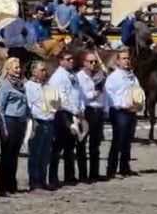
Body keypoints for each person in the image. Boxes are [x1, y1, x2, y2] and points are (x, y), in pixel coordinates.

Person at [48, 51, 85, 185]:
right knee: (58, 147)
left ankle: (69, 175)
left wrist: (81, 108)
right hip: (62, 113)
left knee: (70, 146)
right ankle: (53, 176)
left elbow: (78, 93)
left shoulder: (72, 76)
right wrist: (74, 110)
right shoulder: (58, 78)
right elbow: (61, 99)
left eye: (72, 59)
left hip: (73, 112)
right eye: (68, 59)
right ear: (61, 61)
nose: (71, 61)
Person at [104, 50, 140, 177]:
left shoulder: (132, 76)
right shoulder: (113, 77)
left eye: (128, 58)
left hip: (131, 111)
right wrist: (123, 104)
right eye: (124, 58)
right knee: (118, 140)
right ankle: (112, 169)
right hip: (119, 111)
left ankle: (125, 167)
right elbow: (110, 95)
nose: (127, 61)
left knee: (127, 140)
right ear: (118, 61)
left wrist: (137, 103)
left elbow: (137, 91)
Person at [0, 57, 28, 196]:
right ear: (8, 69)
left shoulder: (20, 84)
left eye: (19, 68)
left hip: (20, 121)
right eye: (16, 68)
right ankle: (4, 186)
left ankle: (12, 184)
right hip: (9, 120)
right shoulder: (4, 85)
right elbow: (0, 108)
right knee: (7, 155)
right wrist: (3, 127)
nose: (18, 70)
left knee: (15, 154)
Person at [24, 60, 56, 191]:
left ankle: (43, 178)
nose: (45, 73)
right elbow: (29, 106)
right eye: (42, 70)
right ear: (34, 72)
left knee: (45, 153)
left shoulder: (47, 86)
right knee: (35, 153)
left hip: (49, 121)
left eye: (45, 70)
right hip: (38, 121)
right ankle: (34, 181)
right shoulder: (29, 86)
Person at [76, 52, 107, 181]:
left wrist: (105, 109)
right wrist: (92, 94)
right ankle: (83, 174)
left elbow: (105, 95)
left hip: (98, 111)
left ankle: (94, 172)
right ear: (84, 63)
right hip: (86, 111)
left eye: (95, 62)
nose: (93, 64)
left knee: (95, 143)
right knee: (81, 143)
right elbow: (79, 96)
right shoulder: (79, 77)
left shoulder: (100, 76)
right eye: (90, 62)